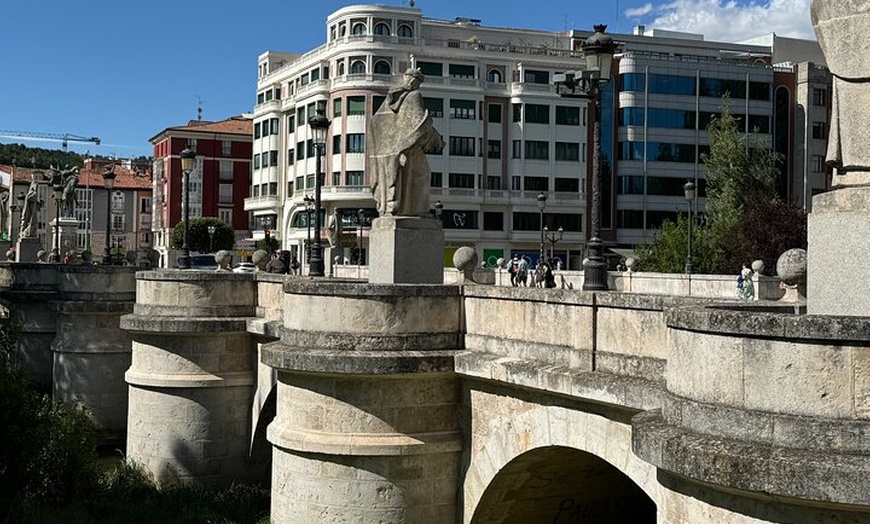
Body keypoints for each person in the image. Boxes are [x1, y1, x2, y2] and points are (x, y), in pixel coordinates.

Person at [368, 68, 443, 217]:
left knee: (408, 180)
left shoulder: (390, 100)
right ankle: (418, 210)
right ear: (414, 81)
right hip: (411, 149)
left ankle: (400, 207)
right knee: (422, 175)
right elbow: (420, 124)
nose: (418, 85)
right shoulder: (414, 96)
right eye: (418, 82)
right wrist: (436, 138)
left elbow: (375, 123)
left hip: (394, 151)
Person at [19, 173, 39, 238]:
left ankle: (27, 232)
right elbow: (30, 198)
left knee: (31, 220)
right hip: (29, 211)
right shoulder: (30, 194)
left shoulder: (32, 193)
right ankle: (25, 232)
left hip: (31, 210)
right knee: (27, 220)